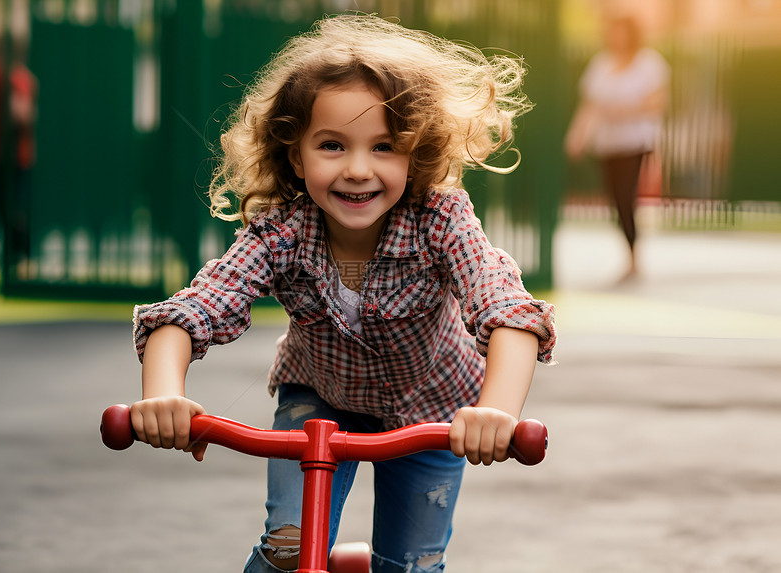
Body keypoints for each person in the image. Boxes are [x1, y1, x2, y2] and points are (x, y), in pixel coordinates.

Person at [129, 15, 556, 573]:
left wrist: (494, 412)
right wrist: (165, 394)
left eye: (384, 146)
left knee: (412, 565)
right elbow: (196, 308)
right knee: (286, 551)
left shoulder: (440, 220)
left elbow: (505, 310)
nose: (358, 169)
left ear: (415, 154)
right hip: (320, 400)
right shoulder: (282, 231)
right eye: (332, 145)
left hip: (433, 412)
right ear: (295, 154)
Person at [564, 15, 670, 279]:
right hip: (607, 144)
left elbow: (659, 102)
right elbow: (589, 105)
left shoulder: (650, 63)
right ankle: (629, 250)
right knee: (615, 200)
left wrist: (625, 110)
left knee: (626, 196)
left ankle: (634, 258)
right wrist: (577, 135)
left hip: (635, 143)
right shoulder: (601, 63)